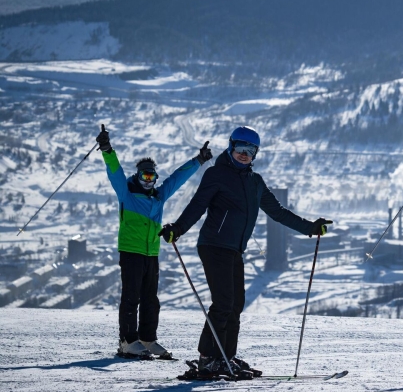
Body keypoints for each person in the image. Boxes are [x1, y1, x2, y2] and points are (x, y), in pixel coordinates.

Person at [160, 126, 332, 378]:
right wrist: (178, 228)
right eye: (240, 148)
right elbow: (197, 205)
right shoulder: (216, 174)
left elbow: (278, 212)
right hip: (213, 245)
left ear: (255, 154)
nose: (244, 154)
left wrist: (310, 228)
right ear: (231, 148)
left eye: (250, 150)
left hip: (234, 250)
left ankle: (226, 357)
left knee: (236, 305)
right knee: (222, 303)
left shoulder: (255, 182)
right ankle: (208, 358)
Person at [97, 124, 212, 359]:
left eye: (152, 177)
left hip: (151, 252)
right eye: (145, 176)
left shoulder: (159, 196)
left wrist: (198, 161)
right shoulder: (127, 193)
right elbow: (115, 171)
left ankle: (148, 339)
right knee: (131, 297)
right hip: (131, 251)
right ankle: (128, 341)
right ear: (138, 176)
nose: (149, 180)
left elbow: (177, 179)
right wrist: (107, 148)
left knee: (151, 299)